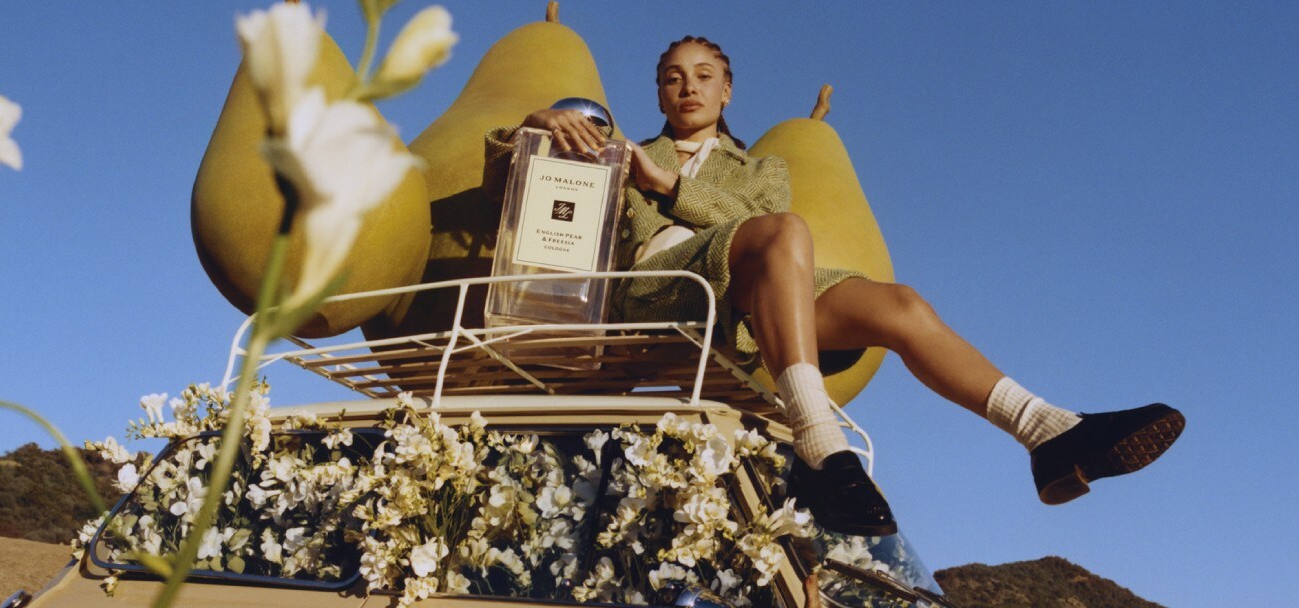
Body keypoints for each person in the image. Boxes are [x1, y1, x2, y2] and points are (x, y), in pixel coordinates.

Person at [488, 36, 1184, 537]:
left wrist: (671, 186)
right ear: (659, 93)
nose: (688, 87)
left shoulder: (759, 168)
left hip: (758, 288)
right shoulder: (622, 152)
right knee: (785, 233)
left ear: (727, 90)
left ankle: (1049, 432)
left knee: (901, 303)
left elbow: (754, 225)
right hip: (666, 288)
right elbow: (514, 188)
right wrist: (535, 126)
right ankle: (818, 442)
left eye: (704, 75)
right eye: (672, 77)